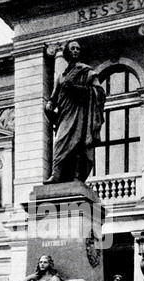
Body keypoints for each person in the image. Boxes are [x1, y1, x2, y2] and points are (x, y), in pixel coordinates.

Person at [44, 39, 105, 185]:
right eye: (73, 48)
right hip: (64, 115)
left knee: (78, 145)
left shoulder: (87, 71)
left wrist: (76, 89)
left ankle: (78, 176)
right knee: (59, 142)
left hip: (80, 114)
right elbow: (53, 97)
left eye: (78, 48)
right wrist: (49, 105)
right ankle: (56, 175)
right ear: (66, 53)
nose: (76, 51)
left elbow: (99, 92)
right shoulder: (61, 76)